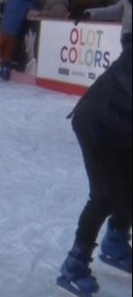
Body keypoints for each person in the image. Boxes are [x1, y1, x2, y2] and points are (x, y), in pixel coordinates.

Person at [56, 41, 132, 295]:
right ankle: (74, 264)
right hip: (97, 123)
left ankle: (115, 243)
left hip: (124, 126)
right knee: (105, 195)